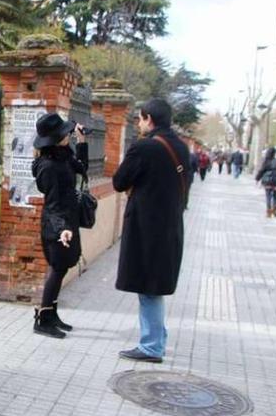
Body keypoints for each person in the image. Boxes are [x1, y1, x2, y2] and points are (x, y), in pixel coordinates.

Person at [112, 99, 192, 363]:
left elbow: (119, 181)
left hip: (147, 228)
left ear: (148, 119)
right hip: (170, 225)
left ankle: (151, 346)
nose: (138, 123)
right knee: (153, 286)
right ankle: (157, 339)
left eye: (139, 118)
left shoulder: (145, 147)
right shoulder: (181, 147)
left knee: (148, 288)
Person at [30, 113, 88, 339]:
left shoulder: (63, 157)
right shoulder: (49, 167)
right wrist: (62, 228)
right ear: (56, 138)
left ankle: (51, 314)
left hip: (67, 222)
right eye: (65, 133)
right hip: (57, 224)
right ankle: (42, 319)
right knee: (57, 269)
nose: (69, 134)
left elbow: (82, 169)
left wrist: (82, 143)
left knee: (63, 267)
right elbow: (53, 204)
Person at [255, 147, 276, 218]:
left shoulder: (266, 161)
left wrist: (257, 179)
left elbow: (261, 171)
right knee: (275, 196)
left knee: (268, 196)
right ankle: (274, 210)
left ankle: (268, 211)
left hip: (267, 181)